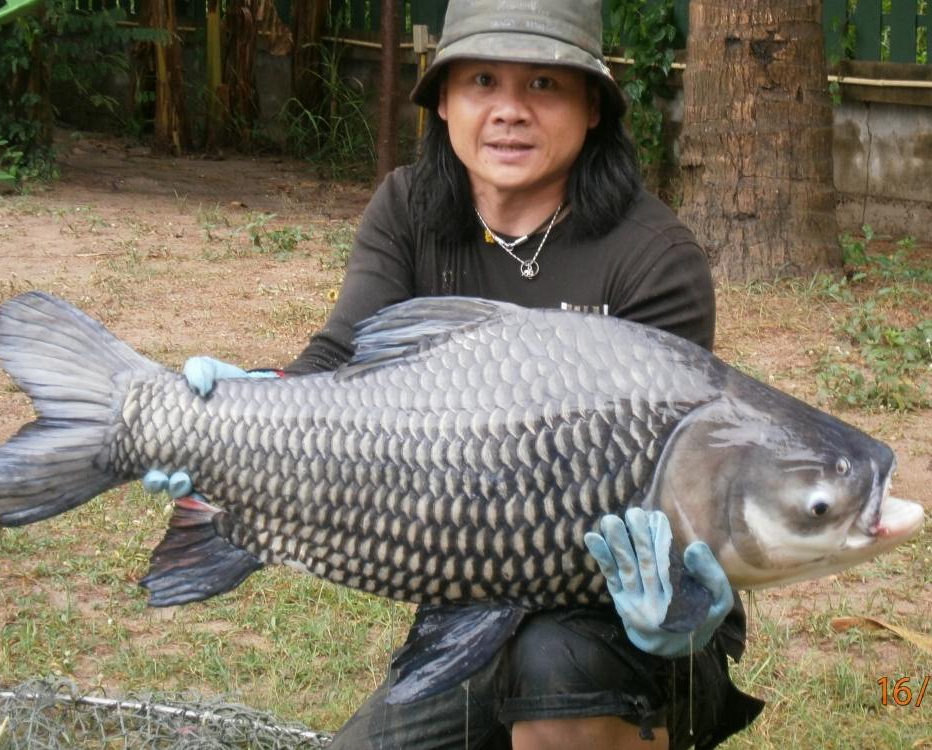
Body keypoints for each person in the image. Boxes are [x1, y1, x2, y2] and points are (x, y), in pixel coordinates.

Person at [148, 1, 765, 747]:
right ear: (443, 100)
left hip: (629, 616)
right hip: (480, 595)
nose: (509, 112)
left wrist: (684, 610)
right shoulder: (410, 206)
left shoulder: (653, 255)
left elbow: (679, 483)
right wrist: (244, 403)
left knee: (558, 664)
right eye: (481, 80)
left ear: (592, 107)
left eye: (543, 83)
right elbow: (339, 365)